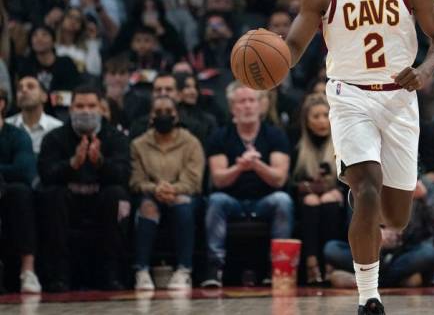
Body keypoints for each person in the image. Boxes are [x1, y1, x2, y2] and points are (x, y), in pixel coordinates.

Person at [283, 0, 434, 313]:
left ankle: (361, 200)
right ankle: (368, 297)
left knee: (395, 217)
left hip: (399, 99)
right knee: (368, 187)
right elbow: (291, 50)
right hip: (348, 95)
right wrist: (264, 63)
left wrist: (425, 70)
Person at [37, 85, 130, 291]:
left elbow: (124, 176)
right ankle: (59, 277)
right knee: (52, 195)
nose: (85, 111)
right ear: (70, 109)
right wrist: (72, 164)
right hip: (68, 201)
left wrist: (100, 163)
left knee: (117, 195)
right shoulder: (54, 138)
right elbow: (46, 174)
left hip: (102, 201)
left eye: (91, 106)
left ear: (100, 108)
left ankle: (111, 275)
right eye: (79, 105)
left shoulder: (115, 137)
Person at [202, 82, 293, 288]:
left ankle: (278, 267)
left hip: (264, 199)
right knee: (216, 200)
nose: (247, 106)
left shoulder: (275, 135)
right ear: (233, 107)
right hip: (232, 200)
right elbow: (218, 179)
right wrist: (240, 167)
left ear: (261, 105)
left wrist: (257, 165)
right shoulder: (220, 136)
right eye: (242, 101)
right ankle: (214, 268)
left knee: (283, 200)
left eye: (252, 100)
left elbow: (279, 179)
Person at [130, 95, 204, 291]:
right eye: (158, 112)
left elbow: (194, 180)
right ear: (151, 117)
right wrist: (156, 189)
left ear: (177, 116)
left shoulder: (191, 143)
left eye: (168, 112)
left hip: (182, 193)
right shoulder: (138, 144)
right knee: (147, 208)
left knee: (182, 204)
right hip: (151, 194)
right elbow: (136, 181)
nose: (163, 116)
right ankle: (142, 271)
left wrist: (173, 189)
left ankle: (184, 270)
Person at [291, 94, 345, 284]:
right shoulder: (298, 146)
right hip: (307, 198)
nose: (322, 121)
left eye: (326, 115)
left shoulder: (342, 143)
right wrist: (309, 187)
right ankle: (311, 263)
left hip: (336, 197)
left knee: (329, 200)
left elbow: (349, 180)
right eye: (316, 116)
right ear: (307, 121)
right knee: (312, 201)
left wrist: (335, 190)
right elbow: (291, 183)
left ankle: (330, 264)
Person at [0, 87, 41, 293]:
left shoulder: (16, 136)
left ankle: (28, 270)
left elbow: (24, 170)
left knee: (20, 191)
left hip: (8, 194)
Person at [5, 76, 63, 155]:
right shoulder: (5, 127)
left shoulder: (58, 128)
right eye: (19, 88)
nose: (24, 90)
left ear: (44, 96)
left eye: (30, 87)